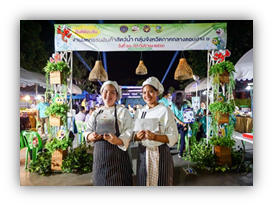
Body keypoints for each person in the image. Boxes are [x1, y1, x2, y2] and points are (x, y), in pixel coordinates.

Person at [84, 80, 133, 186]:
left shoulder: (123, 112)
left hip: (118, 161)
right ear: (101, 94)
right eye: (105, 92)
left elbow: (129, 130)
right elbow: (87, 130)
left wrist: (118, 140)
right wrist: (90, 136)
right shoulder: (96, 113)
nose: (108, 95)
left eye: (112, 92)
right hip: (100, 161)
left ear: (117, 95)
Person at [133, 77, 178, 186]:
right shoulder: (139, 112)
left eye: (150, 91)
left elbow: (173, 136)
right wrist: (137, 137)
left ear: (157, 92)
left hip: (161, 153)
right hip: (143, 153)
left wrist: (155, 137)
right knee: (143, 182)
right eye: (144, 92)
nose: (147, 95)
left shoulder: (165, 111)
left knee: (162, 182)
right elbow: (133, 134)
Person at [170, 92, 188, 158]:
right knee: (182, 139)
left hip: (176, 124)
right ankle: (180, 153)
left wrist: (178, 121)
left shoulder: (173, 105)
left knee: (172, 136)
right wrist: (185, 124)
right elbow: (187, 114)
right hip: (183, 124)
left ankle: (169, 149)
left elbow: (173, 115)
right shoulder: (185, 104)